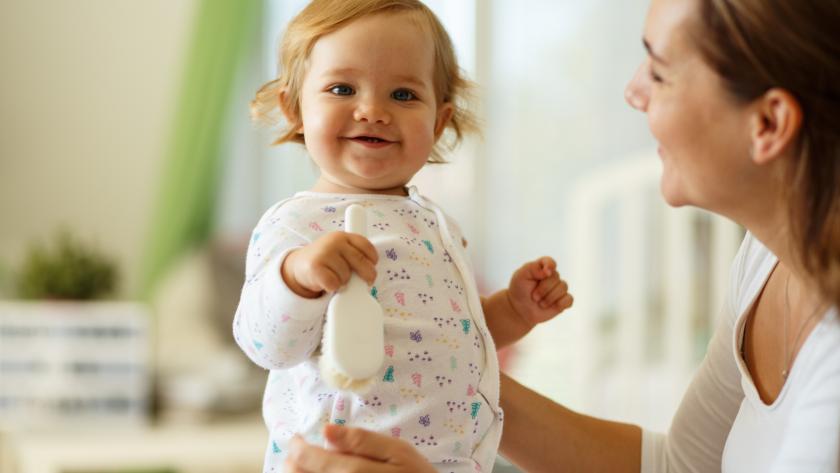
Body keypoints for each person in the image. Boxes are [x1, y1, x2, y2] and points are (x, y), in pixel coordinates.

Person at [281, 0, 840, 471]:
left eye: (660, 71)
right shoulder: (767, 257)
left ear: (767, 124)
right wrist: (432, 368)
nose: (633, 91)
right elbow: (683, 466)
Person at [231, 1, 574, 472]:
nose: (372, 110)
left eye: (404, 95)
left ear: (437, 122)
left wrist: (514, 311)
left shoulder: (435, 226)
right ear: (296, 110)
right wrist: (297, 278)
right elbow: (265, 345)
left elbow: (449, 342)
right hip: (340, 459)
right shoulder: (294, 225)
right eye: (342, 88)